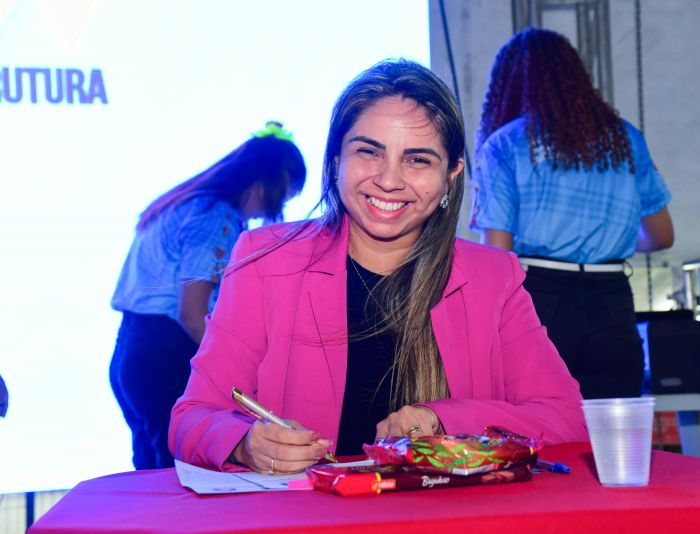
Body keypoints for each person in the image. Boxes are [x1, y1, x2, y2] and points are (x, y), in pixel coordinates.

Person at [169, 59, 588, 475]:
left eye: (418, 160)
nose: (388, 180)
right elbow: (193, 417)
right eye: (369, 152)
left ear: (452, 175)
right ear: (336, 160)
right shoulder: (266, 259)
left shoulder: (494, 278)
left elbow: (567, 419)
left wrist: (442, 420)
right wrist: (245, 444)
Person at [470, 28, 674, 400]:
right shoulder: (625, 138)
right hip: (612, 296)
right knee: (611, 434)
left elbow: (497, 254)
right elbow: (662, 236)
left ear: (510, 83)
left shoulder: (504, 143)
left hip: (539, 297)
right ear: (575, 76)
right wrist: (608, 240)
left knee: (538, 431)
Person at [110, 124, 306, 469]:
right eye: (287, 191)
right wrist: (227, 367)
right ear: (270, 182)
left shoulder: (187, 202)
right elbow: (192, 311)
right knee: (180, 475)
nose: (283, 204)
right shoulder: (218, 218)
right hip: (166, 352)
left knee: (152, 474)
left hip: (133, 351)